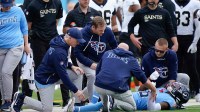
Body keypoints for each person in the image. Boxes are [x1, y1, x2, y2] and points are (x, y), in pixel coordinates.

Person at [10, 28, 86, 112]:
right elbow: (63, 75)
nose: (79, 43)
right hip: (45, 80)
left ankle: (75, 106)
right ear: (70, 38)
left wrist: (72, 66)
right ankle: (21, 98)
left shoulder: (62, 41)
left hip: (53, 75)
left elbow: (61, 62)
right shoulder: (59, 51)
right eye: (77, 40)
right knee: (47, 109)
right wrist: (76, 91)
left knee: (78, 73)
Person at [94, 43, 156, 111]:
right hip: (116, 87)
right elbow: (143, 78)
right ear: (128, 51)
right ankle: (113, 102)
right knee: (132, 107)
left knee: (105, 108)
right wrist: (153, 89)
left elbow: (98, 70)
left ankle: (106, 103)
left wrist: (99, 82)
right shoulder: (132, 60)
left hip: (99, 86)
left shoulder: (107, 53)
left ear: (117, 47)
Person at [62, 0, 101, 106]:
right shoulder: (72, 14)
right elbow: (65, 29)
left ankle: (88, 101)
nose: (87, 1)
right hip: (77, 49)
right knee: (78, 75)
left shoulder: (95, 13)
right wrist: (77, 30)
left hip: (91, 50)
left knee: (92, 76)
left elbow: (101, 29)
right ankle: (77, 102)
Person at [74, 16, 118, 102]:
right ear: (93, 27)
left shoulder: (107, 31)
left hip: (100, 61)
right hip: (84, 59)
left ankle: (79, 98)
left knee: (102, 80)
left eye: (104, 29)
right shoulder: (83, 33)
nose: (103, 32)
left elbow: (115, 47)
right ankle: (92, 103)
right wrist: (90, 64)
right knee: (93, 76)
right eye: (100, 30)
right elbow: (77, 53)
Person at [65, 82, 190, 111]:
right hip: (130, 95)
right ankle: (82, 109)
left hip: (133, 100)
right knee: (100, 87)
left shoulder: (171, 101)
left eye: (178, 89)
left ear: (178, 94)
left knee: (106, 103)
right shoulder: (164, 92)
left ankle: (76, 109)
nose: (175, 86)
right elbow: (142, 89)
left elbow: (153, 108)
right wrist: (150, 82)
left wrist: (151, 99)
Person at [0, 0, 30, 111]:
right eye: (5, 6)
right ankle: (4, 102)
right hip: (1, 47)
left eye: (9, 6)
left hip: (16, 46)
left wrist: (26, 45)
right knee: (1, 75)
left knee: (6, 72)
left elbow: (24, 28)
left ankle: (8, 101)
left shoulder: (18, 10)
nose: (7, 8)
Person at [172, 0, 200, 99]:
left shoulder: (195, 4)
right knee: (176, 67)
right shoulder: (171, 3)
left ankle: (197, 91)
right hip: (175, 38)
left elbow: (198, 25)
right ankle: (177, 92)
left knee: (192, 67)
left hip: (189, 38)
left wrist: (194, 43)